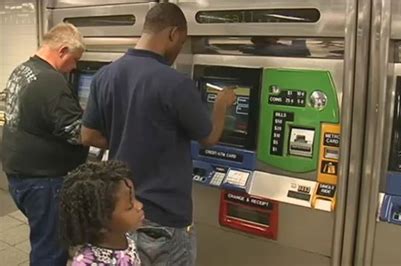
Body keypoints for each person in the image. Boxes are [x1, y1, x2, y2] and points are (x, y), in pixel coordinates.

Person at [81, 3, 236, 265]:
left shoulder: (104, 75)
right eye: (181, 41)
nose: (177, 50)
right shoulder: (175, 83)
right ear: (173, 33)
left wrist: (128, 137)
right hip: (167, 216)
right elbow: (209, 138)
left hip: (123, 212)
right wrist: (221, 104)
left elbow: (88, 136)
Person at [1, 22, 89, 266]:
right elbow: (79, 133)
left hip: (21, 176)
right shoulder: (51, 81)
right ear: (62, 51)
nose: (75, 67)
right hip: (44, 182)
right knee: (50, 251)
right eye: (74, 59)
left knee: (44, 241)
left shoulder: (23, 69)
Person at [59, 161, 144, 266]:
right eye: (129, 207)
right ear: (101, 222)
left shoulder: (122, 236)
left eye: (134, 199)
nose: (139, 206)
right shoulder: (88, 263)